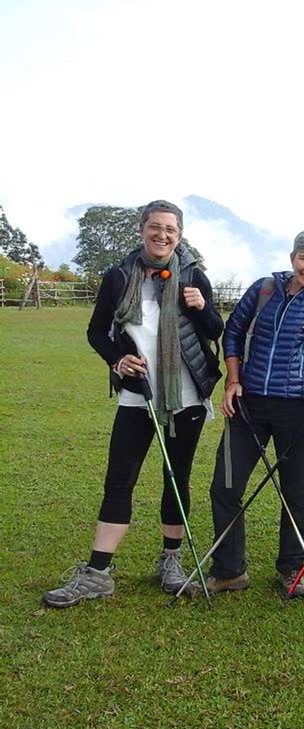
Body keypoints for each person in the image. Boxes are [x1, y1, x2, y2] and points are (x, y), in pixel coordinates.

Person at [43, 200, 223, 608]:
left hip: (187, 398)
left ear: (180, 236)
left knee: (176, 477)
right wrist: (116, 359)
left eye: (171, 230)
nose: (163, 235)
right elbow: (96, 332)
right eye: (155, 227)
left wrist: (201, 306)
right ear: (142, 229)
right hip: (136, 395)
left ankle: (171, 562)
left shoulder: (195, 276)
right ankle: (98, 573)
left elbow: (216, 329)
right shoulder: (119, 276)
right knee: (119, 479)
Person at [207, 229, 304, 597]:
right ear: (292, 257)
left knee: (294, 491)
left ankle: (292, 568)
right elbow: (232, 333)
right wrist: (233, 380)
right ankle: (229, 570)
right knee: (225, 486)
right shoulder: (264, 289)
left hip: (297, 409)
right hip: (248, 404)